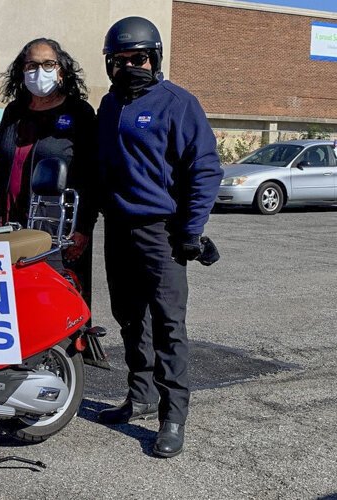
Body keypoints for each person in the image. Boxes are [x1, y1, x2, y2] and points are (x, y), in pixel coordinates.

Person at [94, 17, 223, 458]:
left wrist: (191, 230)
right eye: (121, 60)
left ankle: (173, 414)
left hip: (161, 233)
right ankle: (142, 395)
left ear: (155, 58)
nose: (131, 66)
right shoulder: (109, 106)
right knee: (129, 318)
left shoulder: (177, 103)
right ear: (110, 64)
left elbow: (204, 168)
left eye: (140, 58)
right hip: (118, 228)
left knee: (168, 324)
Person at [0, 37, 97, 306]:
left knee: (59, 302)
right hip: (11, 226)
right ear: (21, 71)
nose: (39, 71)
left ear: (61, 70)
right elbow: (0, 165)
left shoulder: (79, 112)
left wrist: (83, 228)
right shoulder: (14, 111)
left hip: (57, 231)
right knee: (16, 303)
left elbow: (92, 175)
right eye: (32, 65)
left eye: (48, 64)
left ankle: (68, 350)